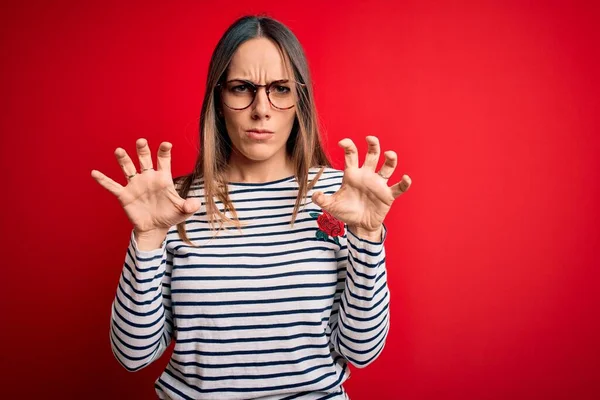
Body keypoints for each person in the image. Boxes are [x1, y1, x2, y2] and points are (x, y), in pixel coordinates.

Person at [91, 14, 411, 400]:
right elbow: (133, 355)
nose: (262, 109)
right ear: (218, 98)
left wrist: (368, 238)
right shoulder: (172, 204)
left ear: (300, 99)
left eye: (280, 88)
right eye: (242, 88)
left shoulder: (341, 196)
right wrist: (147, 238)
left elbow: (361, 351)